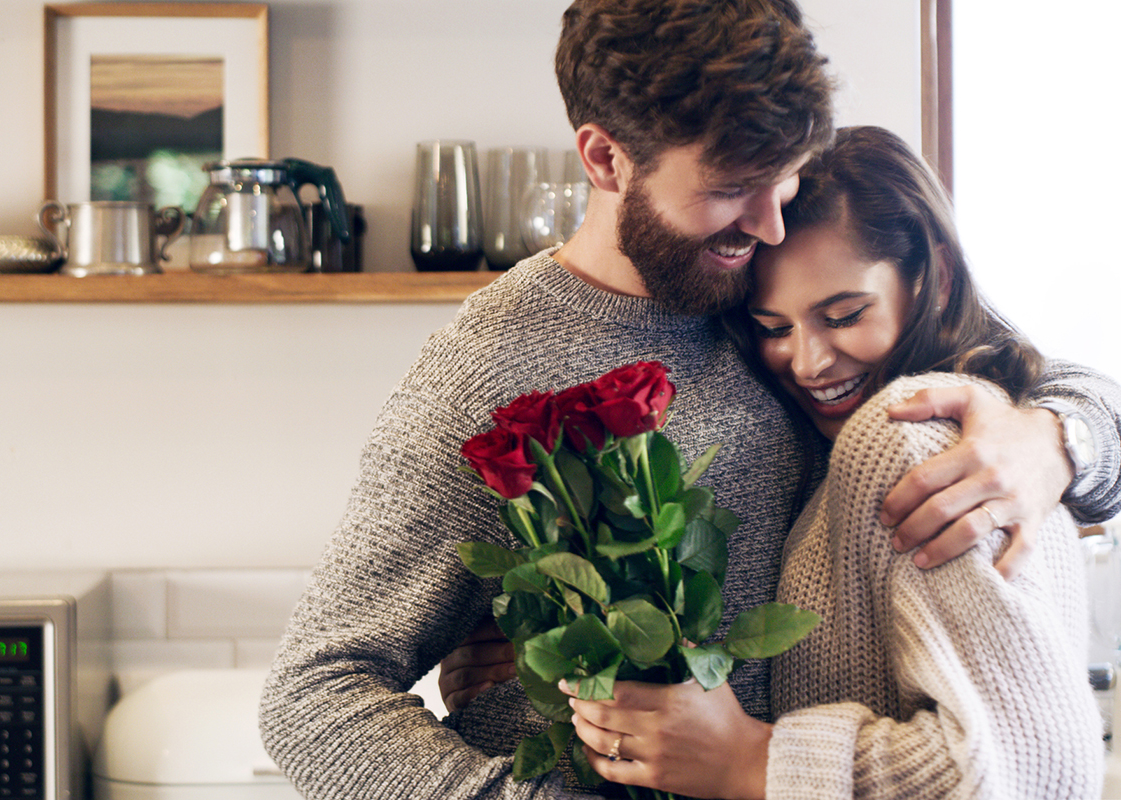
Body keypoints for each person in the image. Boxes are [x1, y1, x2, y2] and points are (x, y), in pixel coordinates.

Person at [259, 1, 1121, 798]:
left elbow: (991, 365)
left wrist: (1058, 438)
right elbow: (313, 697)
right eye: (731, 186)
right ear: (604, 157)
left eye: (782, 178)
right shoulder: (487, 373)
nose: (772, 223)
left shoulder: (777, 284)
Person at [554, 126, 1103, 799]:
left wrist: (754, 761)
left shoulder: (912, 435)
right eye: (774, 328)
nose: (808, 363)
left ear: (937, 275)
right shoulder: (837, 441)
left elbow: (1036, 770)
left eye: (843, 315)